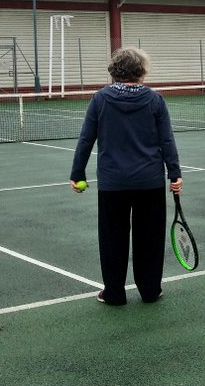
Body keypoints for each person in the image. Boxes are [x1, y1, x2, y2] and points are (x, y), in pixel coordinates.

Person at [70, 48, 183, 306]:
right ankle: (150, 290)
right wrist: (174, 173)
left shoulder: (100, 99)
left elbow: (86, 139)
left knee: (112, 239)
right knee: (150, 239)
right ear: (141, 70)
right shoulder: (155, 100)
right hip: (150, 182)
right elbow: (167, 140)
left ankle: (114, 293)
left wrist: (77, 174)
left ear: (115, 70)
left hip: (113, 184)